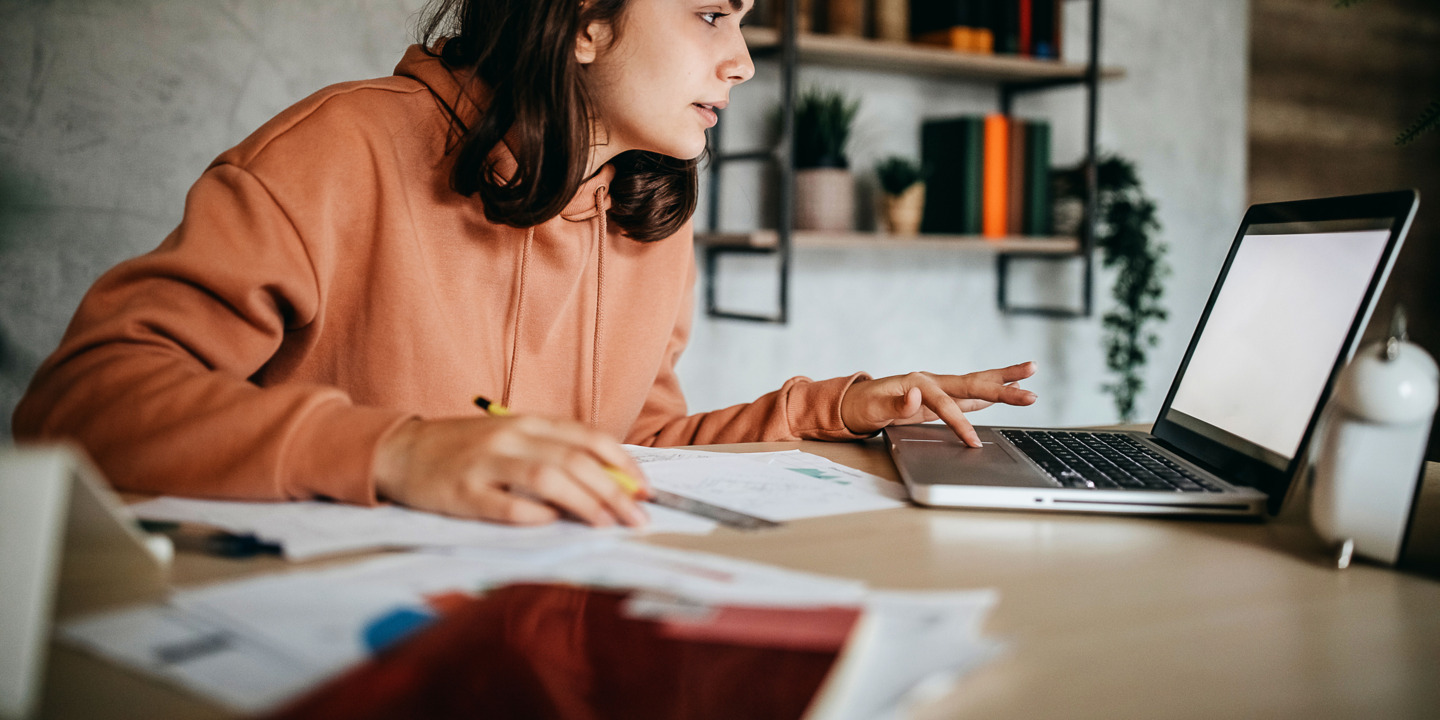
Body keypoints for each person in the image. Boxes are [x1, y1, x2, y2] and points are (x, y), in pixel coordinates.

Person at [12, 0, 1037, 530]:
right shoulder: (337, 153)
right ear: (587, 19)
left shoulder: (649, 209)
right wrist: (397, 453)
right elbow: (76, 407)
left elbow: (633, 443)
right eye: (712, 13)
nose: (745, 60)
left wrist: (832, 409)